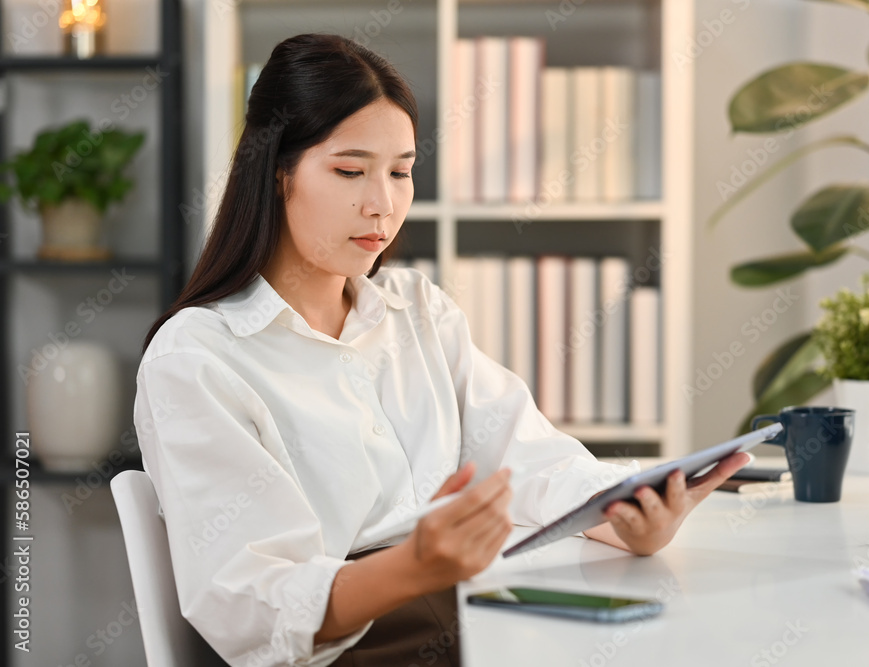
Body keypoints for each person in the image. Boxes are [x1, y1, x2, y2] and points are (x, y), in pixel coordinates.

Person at [134, 33, 750, 667]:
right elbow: (249, 603)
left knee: (689, 621)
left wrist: (624, 512)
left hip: (466, 604)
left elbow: (529, 459)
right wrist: (413, 566)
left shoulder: (417, 312)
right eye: (350, 171)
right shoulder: (199, 358)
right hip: (351, 642)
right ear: (276, 172)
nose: (383, 204)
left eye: (400, 172)